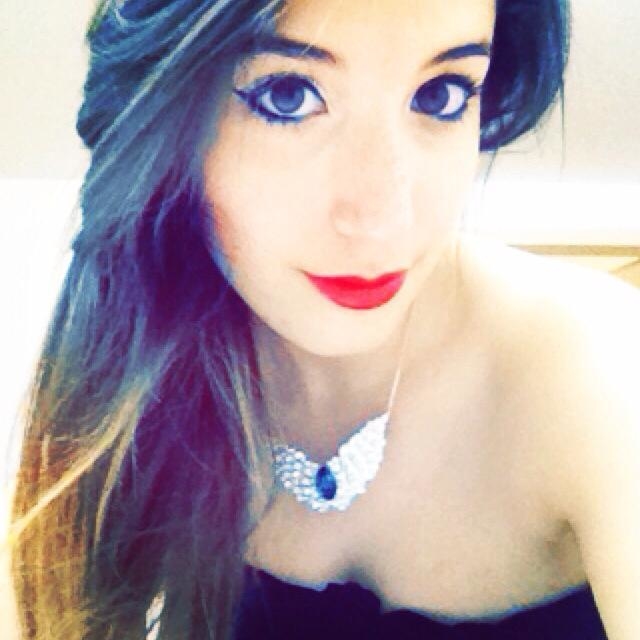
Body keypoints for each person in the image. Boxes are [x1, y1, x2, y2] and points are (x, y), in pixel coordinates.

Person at [5, 0, 640, 638]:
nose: (382, 220)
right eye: (287, 96)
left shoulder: (604, 375)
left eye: (441, 95)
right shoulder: (139, 352)